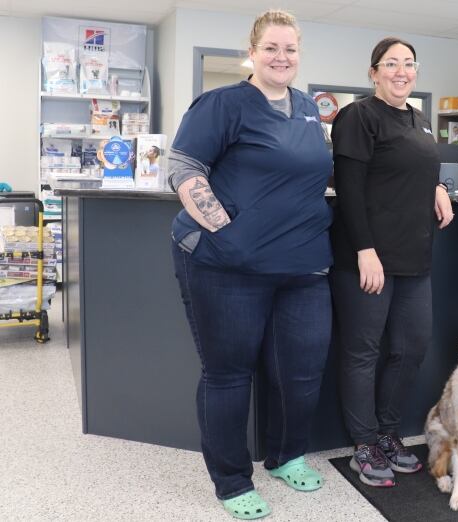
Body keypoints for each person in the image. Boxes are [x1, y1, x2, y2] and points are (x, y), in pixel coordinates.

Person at [168, 10, 333, 519]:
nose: (281, 58)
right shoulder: (223, 104)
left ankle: (286, 456)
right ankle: (232, 480)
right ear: (253, 51)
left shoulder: (308, 109)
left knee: (303, 372)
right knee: (229, 375)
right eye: (272, 48)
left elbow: (315, 176)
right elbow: (182, 168)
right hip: (227, 267)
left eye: (290, 49)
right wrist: (228, 233)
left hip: (303, 267)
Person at [330, 37, 454, 487]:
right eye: (391, 64)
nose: (401, 71)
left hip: (414, 260)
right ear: (374, 71)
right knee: (362, 352)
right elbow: (349, 188)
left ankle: (387, 432)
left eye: (409, 64)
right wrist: (365, 250)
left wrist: (438, 189)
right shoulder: (358, 116)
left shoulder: (420, 121)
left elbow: (418, 171)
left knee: (411, 347)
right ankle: (363, 442)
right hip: (368, 259)